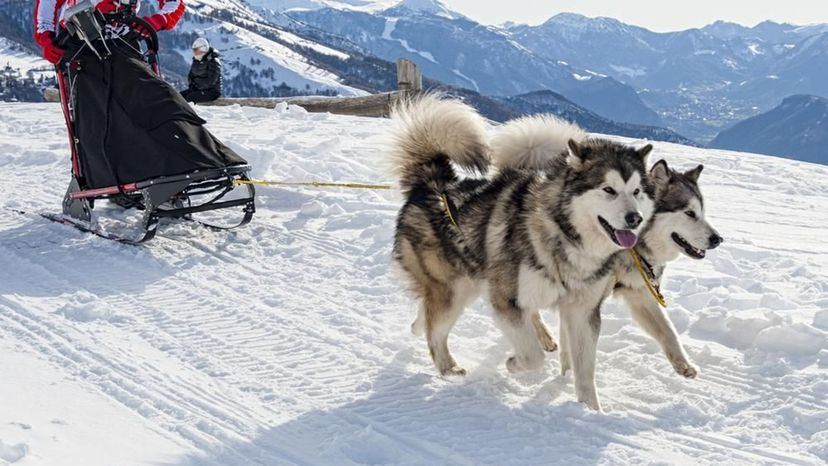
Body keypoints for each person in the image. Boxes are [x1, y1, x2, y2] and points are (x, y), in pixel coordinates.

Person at [34, 0, 185, 64]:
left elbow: (174, 3)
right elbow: (48, 2)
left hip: (124, 38)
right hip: (77, 38)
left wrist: (157, 20)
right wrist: (46, 37)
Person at [181, 38, 222, 103]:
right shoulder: (197, 60)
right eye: (194, 50)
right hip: (198, 89)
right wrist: (192, 85)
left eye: (196, 50)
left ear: (203, 49)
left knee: (190, 97)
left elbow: (211, 81)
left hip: (212, 92)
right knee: (179, 96)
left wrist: (196, 84)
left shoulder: (213, 61)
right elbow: (190, 75)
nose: (194, 52)